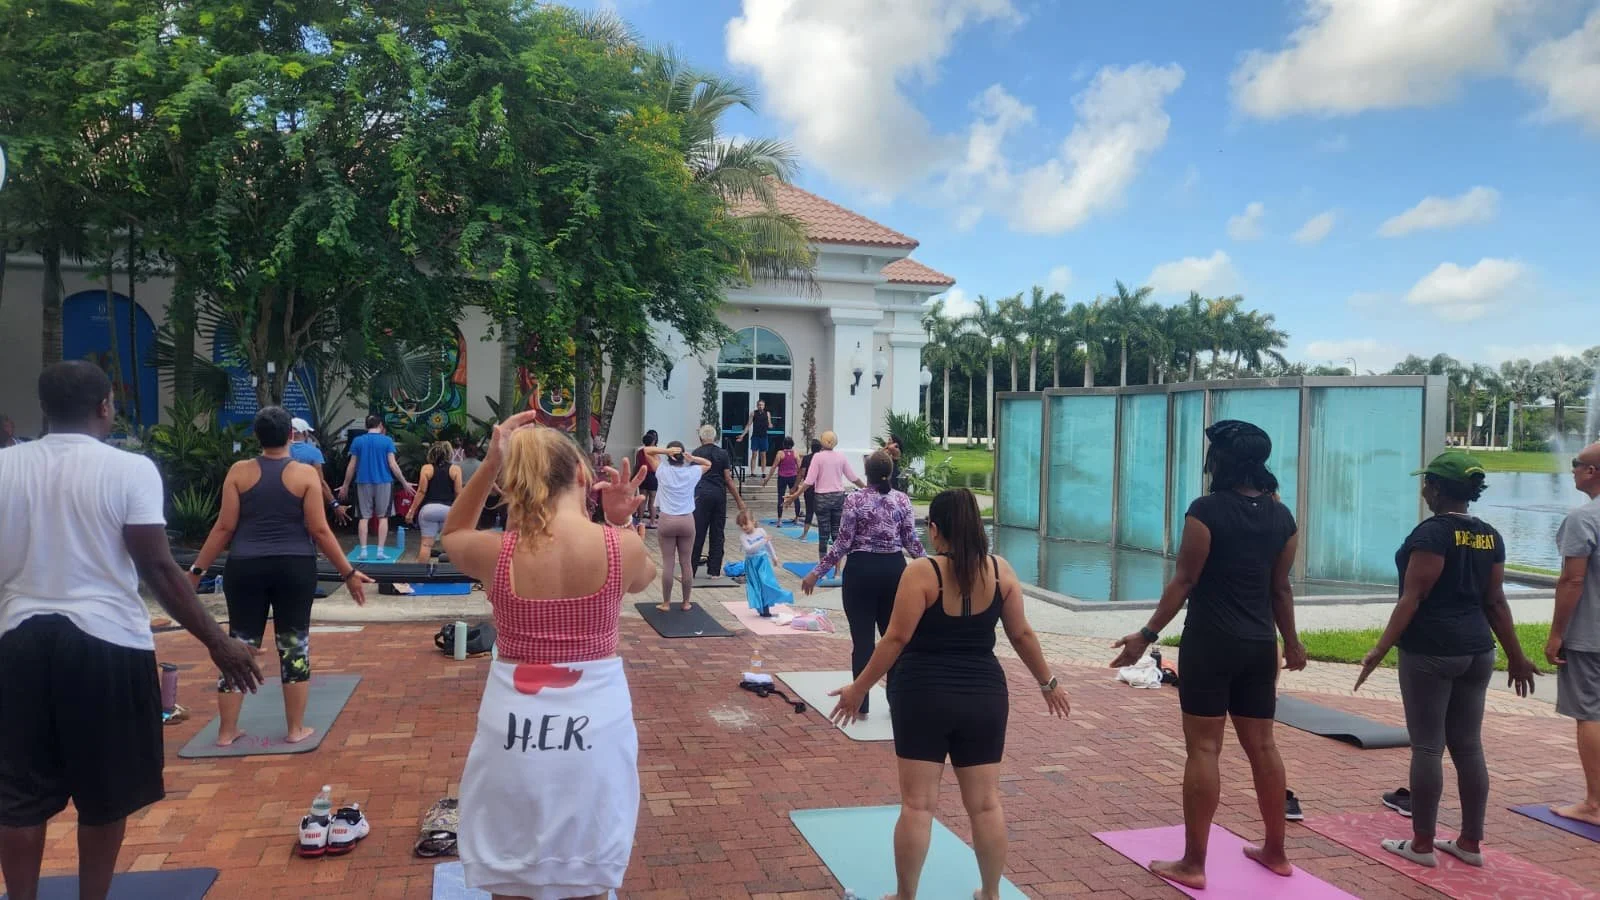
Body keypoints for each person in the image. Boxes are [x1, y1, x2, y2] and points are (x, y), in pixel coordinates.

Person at [0, 362, 262, 900]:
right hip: (106, 644)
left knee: (16, 797)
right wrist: (218, 642)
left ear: (45, 409)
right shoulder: (129, 469)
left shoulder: (5, 467)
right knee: (105, 794)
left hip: (17, 642)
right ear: (104, 407)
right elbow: (158, 568)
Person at [440, 411, 654, 900]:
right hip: (596, 727)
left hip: (513, 726)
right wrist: (619, 521)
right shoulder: (622, 548)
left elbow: (452, 535)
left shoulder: (498, 551)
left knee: (510, 872)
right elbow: (642, 580)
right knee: (589, 870)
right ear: (582, 474)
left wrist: (490, 464)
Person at [827, 488, 1069, 900]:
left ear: (936, 529)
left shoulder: (922, 573)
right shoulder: (1001, 571)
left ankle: (906, 896)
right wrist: (1048, 683)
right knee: (986, 804)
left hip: (922, 696)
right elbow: (1022, 635)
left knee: (918, 806)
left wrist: (858, 688)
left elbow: (895, 638)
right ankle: (991, 893)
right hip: (984, 696)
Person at [1107, 420, 1305, 890]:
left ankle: (1194, 863)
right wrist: (1293, 643)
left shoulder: (1206, 510)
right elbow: (1280, 589)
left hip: (1212, 644)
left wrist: (1146, 635)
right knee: (1263, 746)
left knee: (1204, 748)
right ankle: (1276, 852)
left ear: (1221, 461)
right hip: (1260, 646)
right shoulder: (1283, 517)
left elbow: (1185, 580)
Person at [1352, 450, 1538, 867]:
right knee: (1468, 746)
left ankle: (1421, 845)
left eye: (1427, 482)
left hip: (1431, 651)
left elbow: (1413, 597)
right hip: (1477, 651)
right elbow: (1496, 601)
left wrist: (1378, 650)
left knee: (1427, 746)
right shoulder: (1490, 535)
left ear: (1436, 488)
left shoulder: (1433, 533)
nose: (1423, 489)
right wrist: (1515, 655)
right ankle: (1469, 843)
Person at [188, 406, 374, 747]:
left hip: (245, 568)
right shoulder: (305, 475)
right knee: (293, 646)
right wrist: (347, 572)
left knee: (239, 645)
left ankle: (226, 732)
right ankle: (295, 729)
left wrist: (197, 572)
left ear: (256, 436)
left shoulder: (239, 472)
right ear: (291, 434)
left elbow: (224, 527)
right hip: (294, 568)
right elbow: (319, 529)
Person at [802, 451, 925, 716]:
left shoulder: (855, 499)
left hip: (861, 572)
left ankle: (861, 702)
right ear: (890, 473)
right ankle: (896, 702)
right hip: (894, 571)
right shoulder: (902, 499)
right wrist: (934, 569)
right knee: (894, 639)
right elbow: (912, 542)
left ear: (866, 474)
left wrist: (817, 573)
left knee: (863, 642)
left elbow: (843, 543)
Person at [1549, 441, 1600, 827]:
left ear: (1592, 472)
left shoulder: (1584, 518)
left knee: (1590, 714)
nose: (1572, 470)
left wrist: (1556, 634)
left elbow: (1572, 580)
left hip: (1589, 635)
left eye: (1576, 463)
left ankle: (1594, 804)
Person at [644, 442, 709, 612]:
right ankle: (686, 602)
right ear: (683, 456)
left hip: (667, 519)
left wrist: (666, 451)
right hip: (686, 520)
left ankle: (666, 603)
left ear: (670, 456)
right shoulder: (692, 472)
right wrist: (692, 458)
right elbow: (708, 464)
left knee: (668, 563)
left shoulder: (662, 470)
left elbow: (646, 450)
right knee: (686, 562)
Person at [785, 430, 865, 563]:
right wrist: (867, 488)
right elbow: (853, 478)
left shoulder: (818, 457)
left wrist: (795, 495)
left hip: (822, 498)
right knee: (836, 533)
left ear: (822, 442)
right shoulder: (841, 457)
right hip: (838, 497)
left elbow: (809, 481)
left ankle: (823, 566)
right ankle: (837, 569)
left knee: (823, 534)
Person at [339, 415, 412, 559]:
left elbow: (351, 465)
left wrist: (345, 485)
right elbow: (393, 465)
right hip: (384, 482)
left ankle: (363, 551)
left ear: (366, 426)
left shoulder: (358, 441)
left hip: (362, 482)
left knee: (363, 517)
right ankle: (380, 552)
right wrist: (404, 482)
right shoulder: (387, 441)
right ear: (380, 425)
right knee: (383, 517)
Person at [690, 424, 746, 579]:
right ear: (715, 438)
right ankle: (714, 571)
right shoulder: (723, 453)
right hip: (718, 495)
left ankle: (691, 569)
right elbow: (728, 479)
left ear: (700, 438)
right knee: (717, 532)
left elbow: (692, 477)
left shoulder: (696, 453)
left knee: (698, 532)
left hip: (701, 495)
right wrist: (739, 500)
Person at [407, 441, 465, 563]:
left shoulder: (426, 468)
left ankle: (421, 574)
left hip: (429, 510)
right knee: (450, 545)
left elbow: (421, 491)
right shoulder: (455, 469)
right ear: (449, 453)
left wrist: (411, 511)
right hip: (449, 511)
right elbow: (458, 493)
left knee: (426, 545)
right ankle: (450, 573)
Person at [290, 417, 348, 524]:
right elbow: (320, 482)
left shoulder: (280, 451)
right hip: (306, 501)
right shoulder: (314, 452)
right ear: (304, 433)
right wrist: (335, 504)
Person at [737, 511, 792, 616]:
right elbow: (749, 549)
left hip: (763, 561)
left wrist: (774, 557)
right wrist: (763, 541)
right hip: (751, 564)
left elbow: (768, 545)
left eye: (745, 524)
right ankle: (762, 608)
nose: (743, 527)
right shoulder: (743, 536)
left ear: (753, 521)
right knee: (756, 586)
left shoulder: (761, 531)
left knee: (766, 582)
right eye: (741, 525)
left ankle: (767, 605)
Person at [761, 437, 801, 524]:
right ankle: (797, 518)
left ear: (784, 444)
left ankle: (779, 520)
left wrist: (767, 479)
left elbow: (774, 467)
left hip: (782, 477)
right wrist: (800, 479)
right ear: (792, 444)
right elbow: (799, 468)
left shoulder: (780, 453)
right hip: (793, 477)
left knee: (780, 497)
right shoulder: (795, 453)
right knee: (795, 497)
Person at [794, 438, 822, 541]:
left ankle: (804, 534)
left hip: (809, 487)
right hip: (821, 488)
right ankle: (825, 535)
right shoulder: (823, 459)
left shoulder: (807, 458)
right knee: (822, 513)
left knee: (809, 511)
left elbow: (801, 473)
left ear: (811, 448)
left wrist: (795, 486)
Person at [737, 399, 774, 477]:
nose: (760, 406)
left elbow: (770, 424)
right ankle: (752, 472)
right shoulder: (753, 413)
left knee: (763, 455)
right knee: (754, 454)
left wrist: (770, 425)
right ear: (757, 405)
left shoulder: (767, 413)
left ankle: (763, 472)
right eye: (759, 405)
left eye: (762, 405)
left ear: (764, 406)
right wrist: (742, 435)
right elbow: (748, 425)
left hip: (764, 437)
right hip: (755, 437)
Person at [636, 430, 660, 529]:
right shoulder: (654, 451)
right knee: (652, 500)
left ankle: (640, 520)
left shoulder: (640, 452)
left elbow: (637, 465)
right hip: (652, 476)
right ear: (653, 441)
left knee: (642, 499)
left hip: (642, 474)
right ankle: (652, 521)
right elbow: (658, 465)